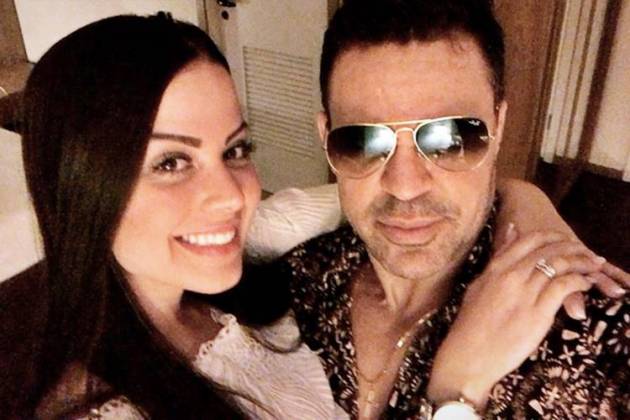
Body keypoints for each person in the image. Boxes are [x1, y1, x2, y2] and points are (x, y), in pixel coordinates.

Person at [279, 0, 630, 418]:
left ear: (498, 126)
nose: (405, 187)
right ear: (326, 137)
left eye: (450, 138)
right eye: (363, 142)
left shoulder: (593, 332)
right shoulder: (298, 284)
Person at [0, 14, 346, 419]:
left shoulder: (216, 278)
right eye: (170, 163)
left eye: (234, 150)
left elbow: (296, 213)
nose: (232, 197)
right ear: (79, 187)